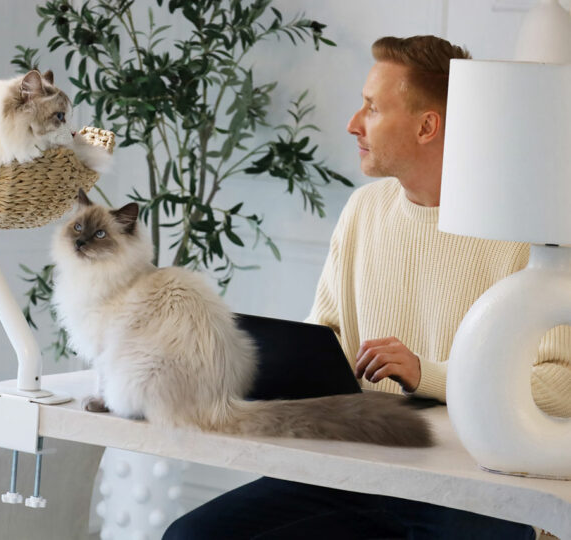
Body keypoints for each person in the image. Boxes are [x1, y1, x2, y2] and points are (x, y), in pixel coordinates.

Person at [162, 35, 571, 540]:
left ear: (427, 126)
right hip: (356, 469)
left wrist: (427, 374)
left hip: (468, 486)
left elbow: (561, 385)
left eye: (372, 108)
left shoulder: (523, 234)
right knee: (192, 536)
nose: (354, 123)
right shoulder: (365, 208)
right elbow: (324, 340)